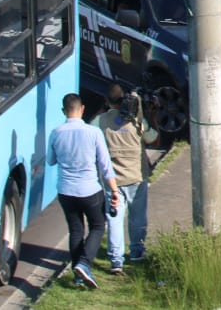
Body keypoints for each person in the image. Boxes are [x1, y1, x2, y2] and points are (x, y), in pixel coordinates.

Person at [47, 92, 120, 289]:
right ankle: (84, 264)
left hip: (65, 191)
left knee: (76, 230)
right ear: (82, 109)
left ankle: (78, 276)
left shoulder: (56, 133)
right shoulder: (93, 133)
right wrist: (114, 191)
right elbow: (105, 165)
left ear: (64, 111)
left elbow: (51, 160)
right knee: (97, 225)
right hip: (89, 190)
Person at [93, 85, 156, 275]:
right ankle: (137, 251)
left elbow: (90, 135)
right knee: (137, 218)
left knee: (114, 220)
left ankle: (116, 260)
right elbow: (152, 137)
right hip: (136, 176)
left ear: (107, 101)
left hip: (112, 180)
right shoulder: (137, 121)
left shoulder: (100, 121)